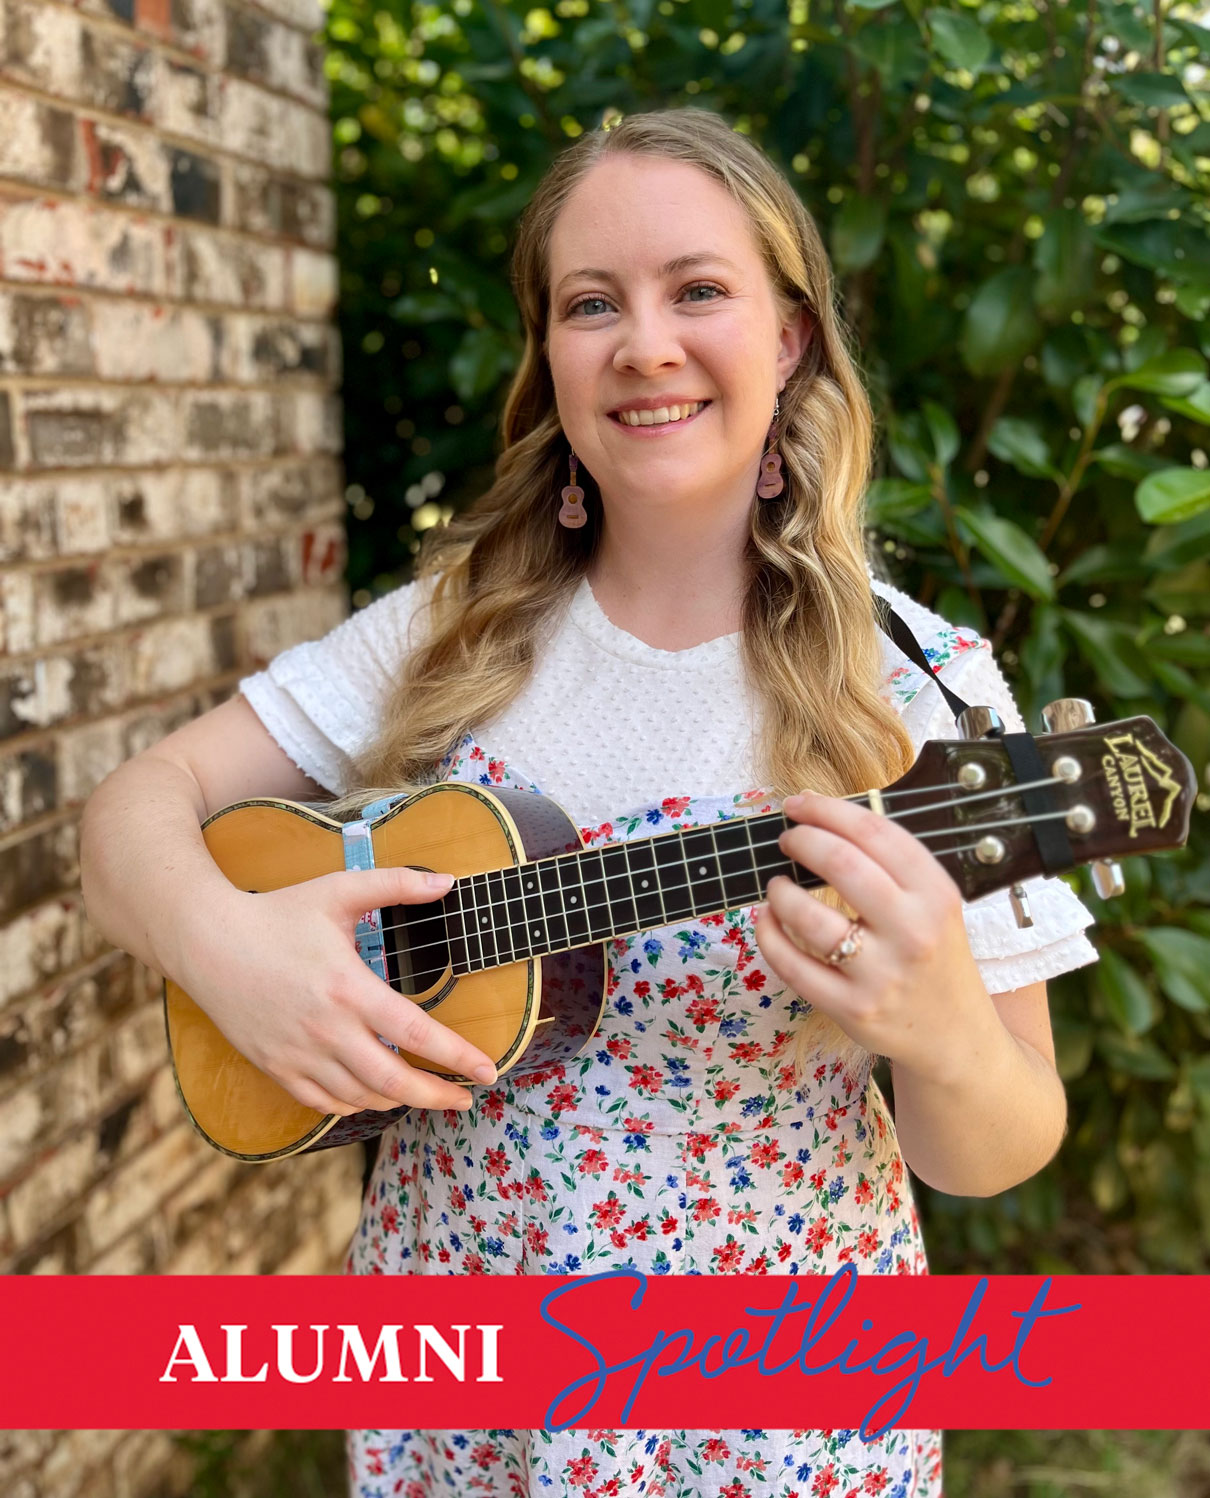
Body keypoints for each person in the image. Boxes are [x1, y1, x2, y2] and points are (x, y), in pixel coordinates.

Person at [81, 107, 1098, 1497]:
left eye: (697, 290)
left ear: (790, 336)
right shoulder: (451, 631)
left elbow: (1001, 1139)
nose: (644, 345)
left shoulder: (917, 690)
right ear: (548, 351)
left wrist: (937, 1035)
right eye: (588, 303)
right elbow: (132, 816)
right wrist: (228, 949)